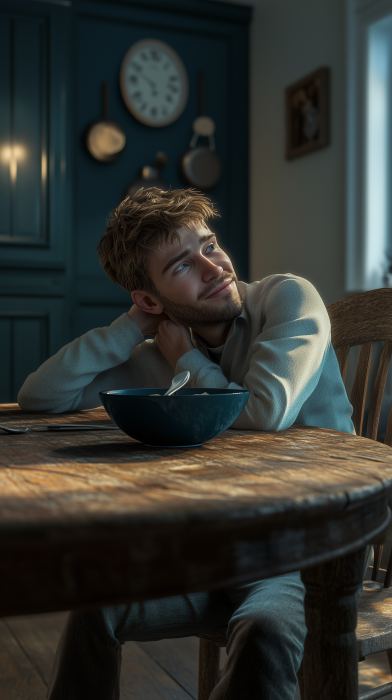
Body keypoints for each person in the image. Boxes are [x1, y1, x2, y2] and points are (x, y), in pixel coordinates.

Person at [18, 188, 354, 700]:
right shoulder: (167, 348)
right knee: (96, 606)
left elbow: (267, 410)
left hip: (314, 547)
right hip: (224, 544)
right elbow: (41, 396)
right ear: (151, 299)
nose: (213, 266)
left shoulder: (287, 298)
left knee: (265, 631)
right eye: (181, 264)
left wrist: (190, 367)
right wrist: (132, 327)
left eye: (210, 245)